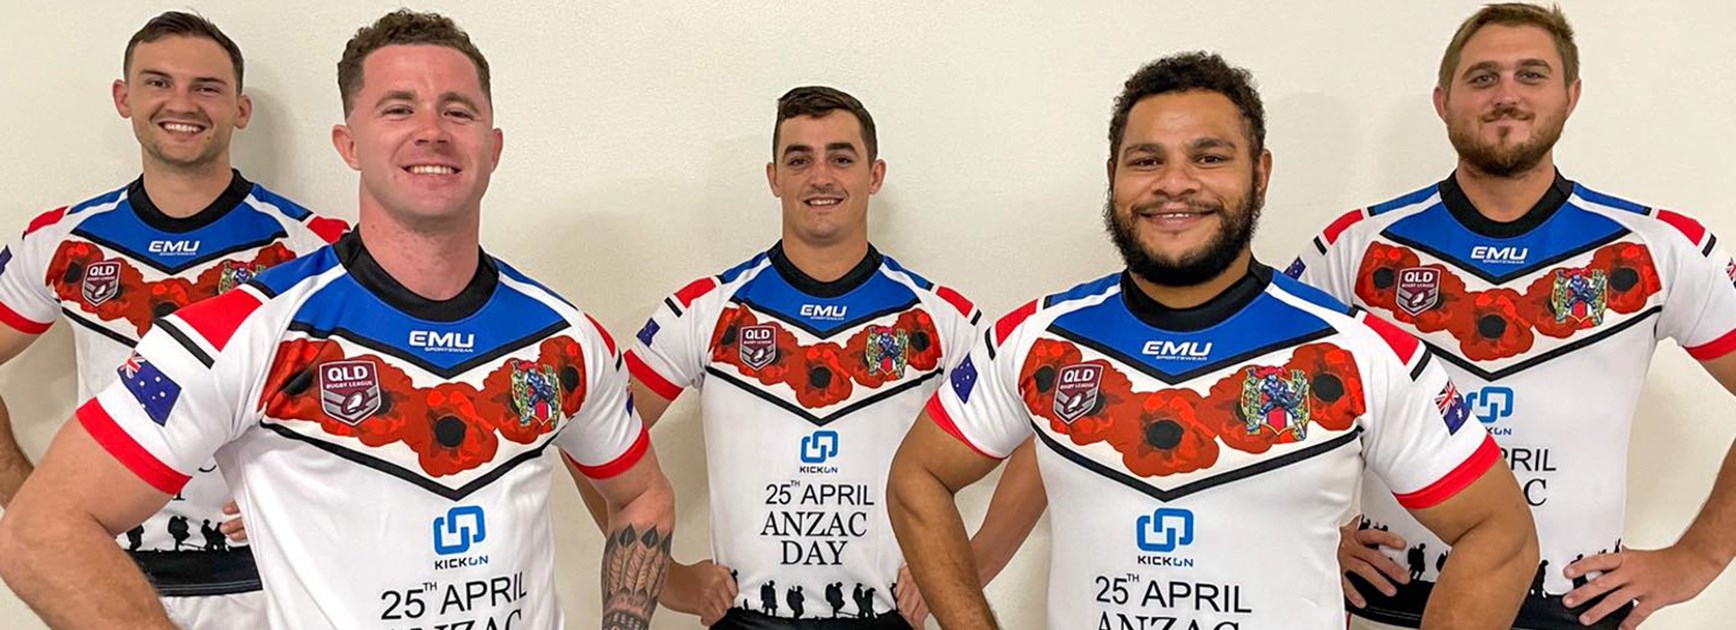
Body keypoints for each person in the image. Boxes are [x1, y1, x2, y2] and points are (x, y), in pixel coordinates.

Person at [0, 10, 674, 629]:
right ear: (348, 144)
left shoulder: (566, 338)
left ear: (493, 146)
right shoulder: (241, 331)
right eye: (398, 108)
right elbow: (40, 532)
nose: (432, 130)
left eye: (457, 110)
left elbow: (642, 496)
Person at [888, 52, 1539, 630]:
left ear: (1260, 173)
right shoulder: (1037, 339)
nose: (1175, 182)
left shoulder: (1363, 353)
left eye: (1209, 157)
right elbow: (919, 475)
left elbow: (1500, 533)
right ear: (1113, 175)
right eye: (1147, 160)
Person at [1290, 4, 1736, 629]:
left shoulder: (1658, 248)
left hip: (1573, 610)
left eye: (1531, 74)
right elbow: (1262, 394)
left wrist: (1695, 560)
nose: (1506, 95)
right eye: (1482, 78)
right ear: (1443, 102)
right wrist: (1307, 539)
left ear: (1570, 95)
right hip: (1386, 610)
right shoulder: (1358, 247)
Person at [570, 84, 1043, 628]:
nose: (821, 177)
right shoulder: (705, 310)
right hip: (747, 618)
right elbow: (590, 431)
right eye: (799, 160)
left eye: (841, 158)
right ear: (773, 177)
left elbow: (1042, 432)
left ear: (875, 175)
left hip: (886, 618)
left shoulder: (940, 318)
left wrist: (962, 572)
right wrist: (672, 581)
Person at [0, 11, 346, 629]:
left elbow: (372, 400)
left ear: (240, 109)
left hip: (268, 586)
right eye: (158, 82)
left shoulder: (313, 249)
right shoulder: (61, 241)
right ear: (123, 98)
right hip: (102, 579)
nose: (181, 103)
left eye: (206, 87)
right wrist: (32, 499)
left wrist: (310, 490)